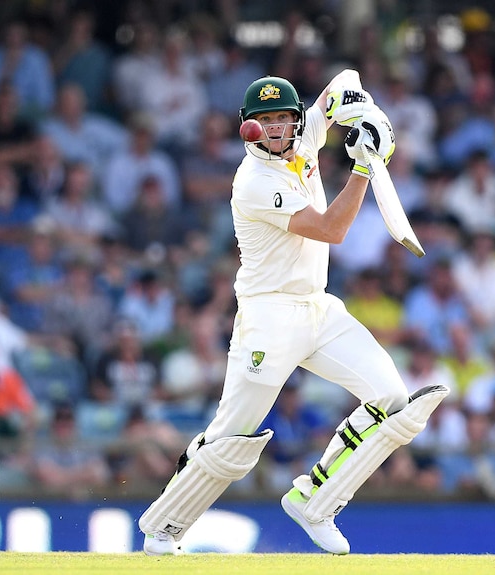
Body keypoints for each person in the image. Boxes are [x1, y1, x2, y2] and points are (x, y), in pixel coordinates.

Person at [138, 70, 449, 556]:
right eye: (267, 121)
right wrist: (364, 167)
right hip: (269, 317)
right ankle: (165, 526)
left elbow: (345, 81)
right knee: (233, 437)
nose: (279, 129)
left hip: (318, 308)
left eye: (285, 118)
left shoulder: (305, 134)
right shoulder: (254, 182)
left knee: (392, 400)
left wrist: (368, 116)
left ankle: (314, 501)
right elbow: (331, 229)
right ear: (250, 128)